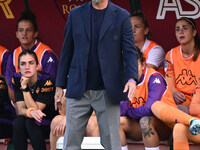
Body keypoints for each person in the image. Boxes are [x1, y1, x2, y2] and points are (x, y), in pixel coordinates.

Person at [54, 0, 138, 149]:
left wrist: (132, 78)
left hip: (108, 90)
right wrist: (60, 85)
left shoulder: (122, 16)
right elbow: (67, 50)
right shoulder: (76, 14)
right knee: (70, 143)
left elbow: (130, 51)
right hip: (79, 87)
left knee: (112, 144)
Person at [120, 49, 176, 150]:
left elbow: (149, 110)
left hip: (165, 126)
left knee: (145, 121)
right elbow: (120, 110)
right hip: (138, 124)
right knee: (118, 121)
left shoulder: (154, 77)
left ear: (143, 65)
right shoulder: (124, 80)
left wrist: (128, 111)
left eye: (133, 64)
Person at [5, 9, 59, 101]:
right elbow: (10, 85)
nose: (24, 34)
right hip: (20, 103)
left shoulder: (46, 54)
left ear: (35, 33)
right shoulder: (13, 54)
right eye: (21, 30)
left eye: (28, 30)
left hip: (43, 103)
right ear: (17, 34)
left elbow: (50, 84)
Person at [12, 50, 58, 150]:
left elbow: (37, 110)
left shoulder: (47, 80)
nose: (27, 67)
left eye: (31, 63)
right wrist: (30, 113)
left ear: (37, 66)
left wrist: (24, 87)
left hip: (48, 121)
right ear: (19, 68)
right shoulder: (16, 78)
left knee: (30, 121)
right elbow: (20, 110)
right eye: (23, 64)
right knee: (18, 121)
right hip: (30, 121)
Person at [165, 17, 200, 112]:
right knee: (158, 105)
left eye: (185, 28)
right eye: (177, 29)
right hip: (180, 102)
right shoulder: (171, 54)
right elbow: (169, 79)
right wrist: (174, 92)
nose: (181, 31)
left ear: (194, 32)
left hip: (197, 103)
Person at [131, 11, 165, 75]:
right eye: (129, 27)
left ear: (146, 30)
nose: (133, 30)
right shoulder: (123, 48)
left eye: (137, 26)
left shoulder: (156, 49)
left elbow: (142, 73)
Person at [0, 75, 16, 139]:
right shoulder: (3, 78)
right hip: (10, 119)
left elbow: (13, 99)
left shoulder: (2, 79)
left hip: (5, 120)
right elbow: (13, 99)